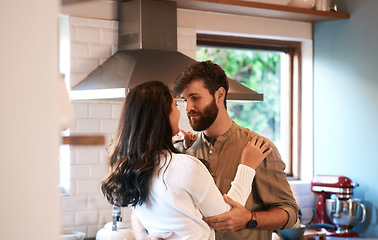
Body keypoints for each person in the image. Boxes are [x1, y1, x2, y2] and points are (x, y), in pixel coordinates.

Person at [101, 81, 273, 240]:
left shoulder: (130, 168)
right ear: (163, 118)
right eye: (175, 105)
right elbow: (225, 217)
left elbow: (141, 214)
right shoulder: (185, 167)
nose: (181, 110)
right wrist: (247, 166)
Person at [173, 60, 299, 240]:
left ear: (219, 94)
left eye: (195, 97)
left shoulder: (259, 148)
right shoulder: (185, 150)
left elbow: (290, 212)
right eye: (185, 100)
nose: (189, 108)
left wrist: (250, 219)